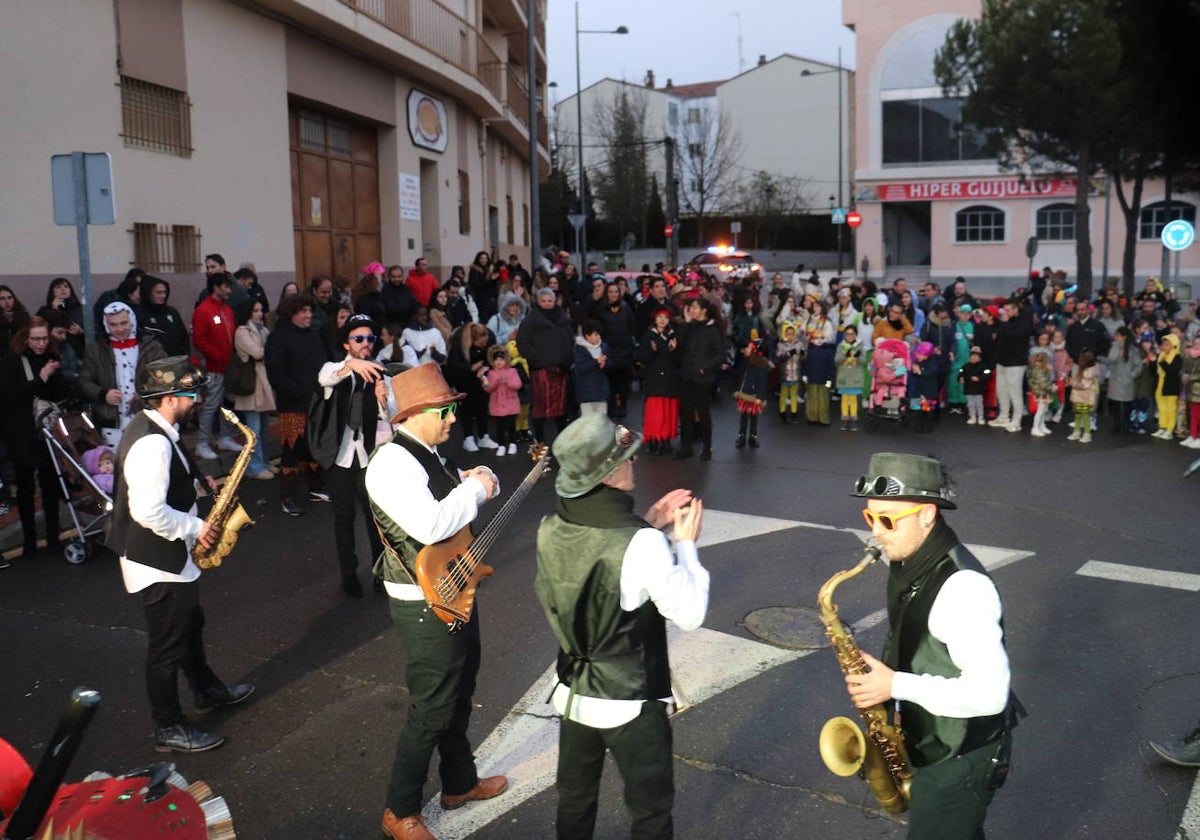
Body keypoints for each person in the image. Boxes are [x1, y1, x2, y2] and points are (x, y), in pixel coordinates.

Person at [534, 412, 708, 840]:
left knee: (575, 800)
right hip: (629, 699)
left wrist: (647, 523)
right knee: (650, 811)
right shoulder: (640, 542)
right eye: (628, 457)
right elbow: (689, 613)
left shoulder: (551, 526)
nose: (635, 462)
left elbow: (597, 568)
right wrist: (685, 545)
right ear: (610, 472)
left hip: (574, 691)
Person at [365, 362, 507, 840]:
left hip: (452, 590)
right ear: (414, 413)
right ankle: (398, 810)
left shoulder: (423, 452)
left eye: (452, 409)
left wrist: (470, 482)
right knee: (431, 706)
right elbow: (430, 526)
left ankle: (459, 783)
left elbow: (449, 503)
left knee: (459, 692)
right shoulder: (391, 462)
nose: (451, 419)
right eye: (444, 411)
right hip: (423, 600)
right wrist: (474, 488)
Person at [847, 452, 1017, 840]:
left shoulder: (963, 588)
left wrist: (894, 686)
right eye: (870, 517)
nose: (876, 532)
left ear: (927, 514)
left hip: (959, 756)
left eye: (887, 519)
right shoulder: (912, 559)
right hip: (933, 740)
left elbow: (990, 696)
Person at [107, 356, 254, 753]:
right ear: (170, 398)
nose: (198, 398)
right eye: (192, 392)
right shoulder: (152, 443)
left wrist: (193, 480)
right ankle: (168, 727)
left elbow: (164, 484)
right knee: (167, 646)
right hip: (157, 560)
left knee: (190, 624)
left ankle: (205, 689)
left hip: (166, 555)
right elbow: (148, 511)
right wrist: (197, 527)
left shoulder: (157, 429)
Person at [315, 314, 387, 597]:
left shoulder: (382, 373)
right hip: (339, 456)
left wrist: (383, 401)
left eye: (370, 338)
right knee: (343, 518)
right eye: (359, 338)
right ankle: (349, 575)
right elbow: (325, 377)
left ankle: (381, 573)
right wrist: (351, 364)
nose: (366, 343)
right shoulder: (335, 368)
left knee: (374, 518)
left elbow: (388, 418)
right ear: (347, 344)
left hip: (369, 457)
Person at [1, 317, 71, 556]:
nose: (41, 344)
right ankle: (29, 540)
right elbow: (10, 394)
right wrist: (40, 378)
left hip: (47, 430)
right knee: (25, 487)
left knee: (51, 483)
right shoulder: (13, 360)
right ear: (25, 338)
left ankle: (53, 536)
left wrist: (54, 375)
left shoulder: (51, 357)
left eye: (44, 338)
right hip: (21, 431)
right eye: (36, 339)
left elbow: (60, 392)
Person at [265, 293, 334, 516]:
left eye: (309, 311)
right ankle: (288, 496)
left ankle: (316, 487)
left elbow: (326, 365)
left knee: (314, 446)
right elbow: (276, 375)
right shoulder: (278, 338)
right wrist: (302, 392)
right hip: (292, 406)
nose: (308, 315)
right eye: (303, 311)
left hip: (317, 403)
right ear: (290, 313)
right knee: (292, 450)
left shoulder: (315, 335)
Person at [75, 302, 167, 448]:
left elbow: (164, 377)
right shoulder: (96, 350)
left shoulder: (152, 347)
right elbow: (83, 381)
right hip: (112, 422)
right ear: (106, 325)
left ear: (132, 320)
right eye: (113, 325)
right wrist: (102, 394)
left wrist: (143, 395)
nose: (119, 329)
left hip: (146, 416)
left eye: (124, 323)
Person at [191, 272, 242, 460]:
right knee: (211, 405)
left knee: (225, 404)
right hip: (214, 367)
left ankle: (224, 436)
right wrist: (218, 356)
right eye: (225, 287)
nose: (229, 290)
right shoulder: (204, 310)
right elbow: (199, 340)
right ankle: (202, 443)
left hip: (227, 367)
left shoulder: (226, 310)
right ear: (216, 287)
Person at [517, 286, 575, 443]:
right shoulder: (530, 321)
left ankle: (563, 441)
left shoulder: (563, 319)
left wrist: (568, 359)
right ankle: (539, 440)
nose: (547, 303)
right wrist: (537, 359)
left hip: (562, 370)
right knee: (540, 408)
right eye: (544, 301)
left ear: (555, 301)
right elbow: (522, 343)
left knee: (561, 408)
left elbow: (571, 340)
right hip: (541, 370)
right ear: (538, 301)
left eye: (550, 300)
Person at [231, 299, 276, 480]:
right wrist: (272, 351)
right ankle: (253, 467)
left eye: (260, 310)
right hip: (252, 384)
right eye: (255, 310)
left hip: (263, 382)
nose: (259, 313)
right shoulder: (242, 331)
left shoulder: (262, 329)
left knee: (263, 427)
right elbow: (257, 352)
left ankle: (263, 461)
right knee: (254, 430)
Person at [635, 307, 680, 454]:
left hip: (670, 380)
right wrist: (652, 351)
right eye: (660, 317)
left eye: (665, 318)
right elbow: (641, 357)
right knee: (655, 413)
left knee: (667, 412)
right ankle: (654, 440)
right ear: (655, 319)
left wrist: (673, 350)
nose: (662, 320)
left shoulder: (673, 336)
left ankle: (666, 440)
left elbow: (678, 360)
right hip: (654, 380)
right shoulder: (648, 336)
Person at [480, 344, 522, 456]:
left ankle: (513, 444)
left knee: (511, 426)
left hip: (511, 405)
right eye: (496, 360)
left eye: (501, 359)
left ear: (506, 360)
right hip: (497, 405)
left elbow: (518, 384)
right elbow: (487, 388)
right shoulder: (491, 373)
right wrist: (494, 383)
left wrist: (507, 382)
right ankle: (502, 445)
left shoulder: (512, 372)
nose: (498, 362)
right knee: (500, 427)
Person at [733, 334, 772, 448]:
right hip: (744, 394)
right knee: (743, 416)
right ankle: (742, 435)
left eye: (749, 348)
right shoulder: (745, 362)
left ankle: (753, 436)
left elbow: (762, 383)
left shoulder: (761, 366)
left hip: (754, 396)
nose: (746, 349)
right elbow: (740, 376)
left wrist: (760, 397)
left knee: (754, 417)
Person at [138, 275, 191, 357]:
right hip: (153, 363)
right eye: (159, 292)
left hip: (176, 361)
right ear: (148, 293)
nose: (163, 296)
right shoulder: (139, 314)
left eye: (165, 292)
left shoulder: (172, 312)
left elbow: (183, 336)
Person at [36, 277, 85, 358]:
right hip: (53, 352)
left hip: (77, 352)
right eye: (58, 287)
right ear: (52, 292)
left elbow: (92, 332)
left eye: (66, 286)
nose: (63, 289)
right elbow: (39, 329)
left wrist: (81, 332)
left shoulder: (81, 310)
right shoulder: (44, 311)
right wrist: (53, 311)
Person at [573, 319, 610, 416]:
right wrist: (596, 362)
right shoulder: (579, 349)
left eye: (599, 334)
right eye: (595, 334)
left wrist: (605, 365)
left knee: (601, 418)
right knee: (587, 420)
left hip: (601, 390)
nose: (598, 337)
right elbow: (580, 367)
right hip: (586, 392)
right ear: (587, 336)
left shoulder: (604, 347)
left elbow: (611, 365)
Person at [835, 324, 866, 432]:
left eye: (851, 334)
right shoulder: (841, 346)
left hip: (854, 377)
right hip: (844, 376)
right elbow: (837, 360)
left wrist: (857, 356)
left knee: (853, 400)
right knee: (844, 399)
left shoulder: (860, 346)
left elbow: (863, 362)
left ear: (855, 334)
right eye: (847, 334)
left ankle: (853, 421)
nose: (849, 336)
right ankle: (844, 420)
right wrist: (844, 354)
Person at [1152, 333, 1183, 440]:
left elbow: (1172, 371)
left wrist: (1163, 362)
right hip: (1160, 386)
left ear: (1174, 346)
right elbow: (1155, 371)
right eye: (1163, 344)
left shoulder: (1177, 358)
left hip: (1171, 387)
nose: (1163, 347)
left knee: (1171, 409)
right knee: (1161, 408)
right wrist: (1153, 361)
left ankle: (1169, 430)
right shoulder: (1161, 355)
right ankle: (1162, 427)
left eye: (1167, 345)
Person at [1027, 345, 1054, 437]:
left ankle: (1042, 425)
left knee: (1044, 410)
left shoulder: (1039, 369)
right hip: (1041, 393)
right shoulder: (1038, 370)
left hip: (1044, 392)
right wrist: (1052, 388)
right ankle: (1035, 428)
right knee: (1040, 410)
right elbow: (1043, 383)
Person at [958, 346, 988, 426]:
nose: (974, 358)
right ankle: (972, 416)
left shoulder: (983, 366)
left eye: (976, 356)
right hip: (968, 388)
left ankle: (981, 417)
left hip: (979, 389)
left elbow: (987, 372)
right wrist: (960, 378)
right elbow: (961, 372)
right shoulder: (965, 366)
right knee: (970, 404)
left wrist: (979, 378)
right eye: (972, 356)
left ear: (980, 358)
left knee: (979, 403)